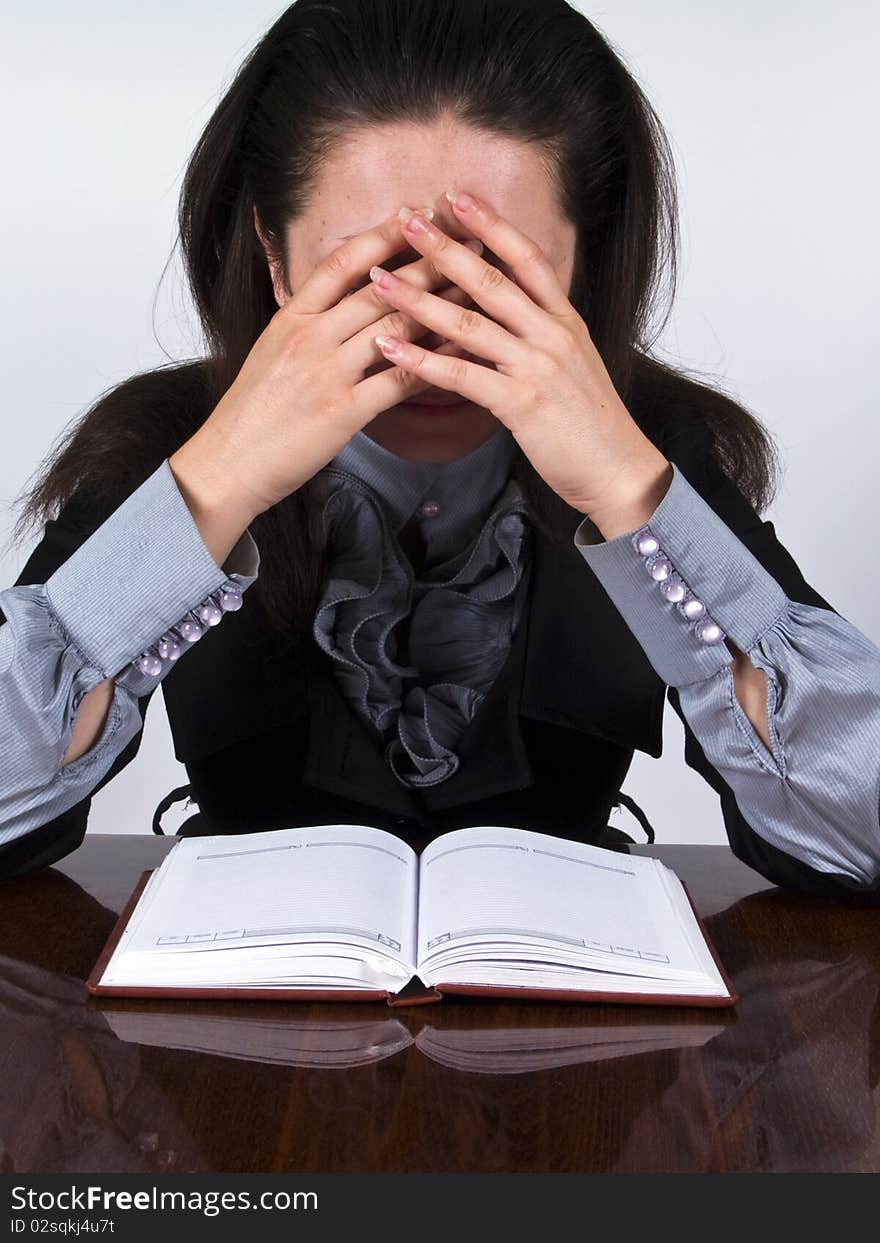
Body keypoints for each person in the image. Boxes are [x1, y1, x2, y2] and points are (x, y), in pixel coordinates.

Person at [1, 0, 878, 902]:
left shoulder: (655, 448)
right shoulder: (169, 444)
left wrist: (629, 488)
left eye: (491, 276)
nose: (435, 337)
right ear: (274, 253)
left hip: (559, 1015)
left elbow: (864, 824)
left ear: (583, 259)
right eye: (374, 274)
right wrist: (214, 482)